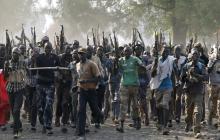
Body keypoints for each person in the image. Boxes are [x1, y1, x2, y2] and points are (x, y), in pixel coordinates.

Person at [75, 48, 103, 136]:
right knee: (81, 110)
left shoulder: (92, 64)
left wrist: (87, 82)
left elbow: (98, 78)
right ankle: (81, 133)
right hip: (82, 91)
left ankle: (101, 115)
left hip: (91, 91)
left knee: (94, 109)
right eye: (79, 54)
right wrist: (76, 86)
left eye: (82, 53)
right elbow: (80, 78)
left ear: (86, 54)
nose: (81, 55)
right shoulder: (77, 65)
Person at [116, 46, 144, 132]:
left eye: (128, 51)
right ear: (123, 52)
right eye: (125, 51)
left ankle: (138, 120)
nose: (126, 53)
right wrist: (115, 61)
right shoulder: (121, 60)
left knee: (135, 105)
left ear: (131, 52)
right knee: (123, 105)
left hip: (134, 85)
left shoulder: (135, 59)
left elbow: (141, 65)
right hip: (124, 85)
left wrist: (141, 66)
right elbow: (116, 69)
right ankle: (121, 125)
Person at [181, 48, 207, 138]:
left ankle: (197, 130)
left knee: (197, 111)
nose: (195, 56)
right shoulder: (186, 66)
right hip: (189, 91)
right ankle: (188, 123)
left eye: (196, 55)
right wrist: (188, 76)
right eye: (193, 55)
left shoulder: (201, 66)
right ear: (191, 56)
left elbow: (205, 77)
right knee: (188, 111)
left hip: (198, 91)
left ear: (198, 56)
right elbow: (182, 78)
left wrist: (195, 75)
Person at [36, 42, 60, 135]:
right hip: (40, 84)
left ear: (51, 49)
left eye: (49, 48)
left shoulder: (55, 57)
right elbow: (35, 69)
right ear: (44, 48)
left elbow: (59, 69)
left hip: (50, 84)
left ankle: (48, 126)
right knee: (41, 107)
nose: (48, 50)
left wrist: (57, 70)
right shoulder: (39, 57)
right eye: (46, 48)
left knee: (48, 105)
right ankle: (43, 123)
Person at [150, 46, 175, 135]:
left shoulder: (171, 60)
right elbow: (152, 74)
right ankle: (160, 123)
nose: (165, 53)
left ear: (169, 53)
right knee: (159, 106)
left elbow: (173, 72)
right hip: (158, 86)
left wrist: (175, 85)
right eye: (164, 51)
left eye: (167, 52)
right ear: (161, 52)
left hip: (168, 86)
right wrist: (156, 63)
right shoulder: (157, 61)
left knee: (165, 105)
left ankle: (165, 126)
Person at [3, 47, 27, 139]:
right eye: (14, 53)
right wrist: (6, 69)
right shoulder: (7, 63)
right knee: (13, 111)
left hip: (19, 88)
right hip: (10, 89)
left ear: (19, 55)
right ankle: (19, 125)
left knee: (16, 110)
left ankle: (16, 131)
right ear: (12, 54)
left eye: (17, 54)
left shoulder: (22, 63)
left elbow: (25, 74)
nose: (15, 55)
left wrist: (21, 71)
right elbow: (5, 78)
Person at [55, 45, 73, 133]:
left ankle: (64, 121)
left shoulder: (72, 58)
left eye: (69, 49)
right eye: (67, 49)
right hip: (60, 82)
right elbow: (56, 68)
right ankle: (57, 117)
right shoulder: (60, 57)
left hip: (68, 83)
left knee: (66, 102)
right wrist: (60, 74)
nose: (68, 51)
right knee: (59, 101)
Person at [207, 45, 220, 129]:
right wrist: (214, 62)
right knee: (213, 104)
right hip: (213, 84)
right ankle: (210, 120)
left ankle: (218, 122)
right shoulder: (212, 59)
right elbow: (208, 70)